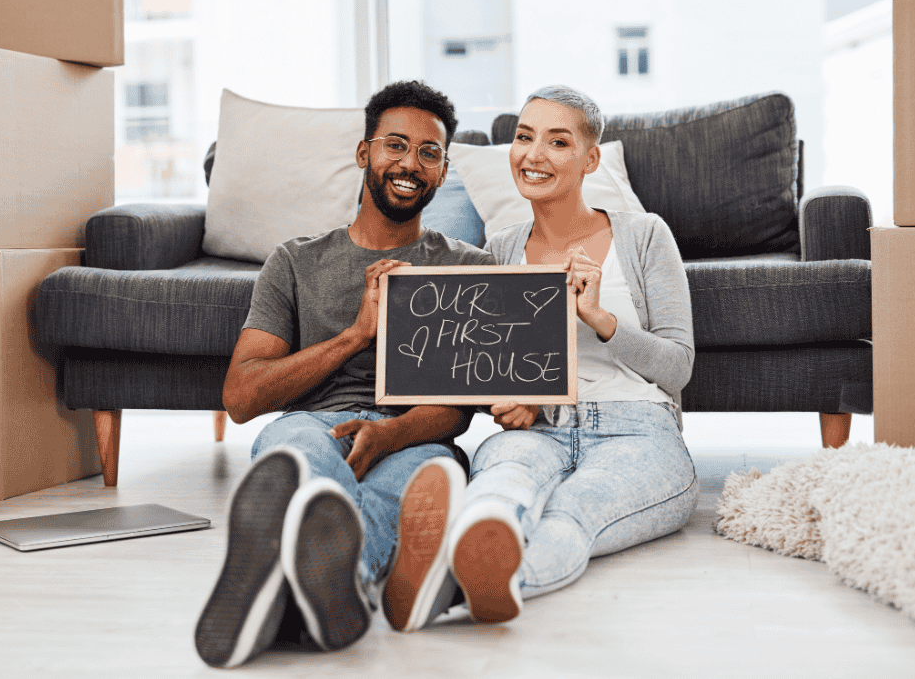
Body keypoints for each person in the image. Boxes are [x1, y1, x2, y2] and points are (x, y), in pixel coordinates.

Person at [193, 80, 494, 668]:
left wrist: (389, 434)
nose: (410, 164)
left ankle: (295, 586)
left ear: (442, 170)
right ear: (364, 154)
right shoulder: (296, 261)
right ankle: (333, 589)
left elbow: (460, 408)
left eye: (429, 153)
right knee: (299, 460)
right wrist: (357, 334)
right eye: (396, 146)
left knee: (423, 482)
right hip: (314, 425)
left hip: (415, 436)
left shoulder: (466, 267)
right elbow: (243, 396)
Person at [383, 84, 699, 631]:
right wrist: (509, 401)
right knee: (500, 490)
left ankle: (456, 586)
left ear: (590, 158)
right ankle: (454, 560)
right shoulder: (501, 248)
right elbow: (488, 367)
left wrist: (602, 321)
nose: (534, 155)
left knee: (571, 513)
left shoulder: (644, 235)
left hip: (637, 428)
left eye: (558, 142)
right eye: (524, 137)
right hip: (538, 430)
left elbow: (678, 368)